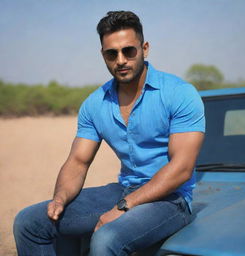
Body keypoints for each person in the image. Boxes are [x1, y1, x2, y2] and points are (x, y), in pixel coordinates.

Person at [13, 10, 205, 256]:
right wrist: (60, 198)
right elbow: (77, 162)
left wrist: (124, 207)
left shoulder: (180, 94)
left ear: (144, 48)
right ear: (103, 55)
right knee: (29, 222)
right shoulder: (94, 104)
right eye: (111, 53)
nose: (121, 60)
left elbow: (181, 169)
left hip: (171, 199)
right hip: (123, 190)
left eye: (129, 50)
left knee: (106, 238)